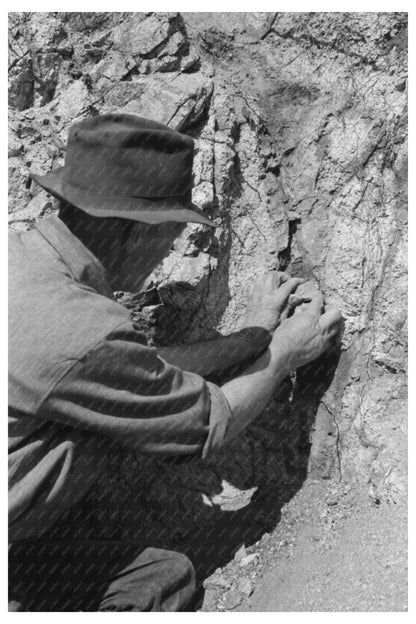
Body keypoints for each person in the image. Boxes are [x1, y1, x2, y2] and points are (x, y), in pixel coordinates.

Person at [8, 113, 342, 611]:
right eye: (170, 232)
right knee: (161, 583)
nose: (169, 250)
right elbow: (208, 422)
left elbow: (134, 366)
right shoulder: (81, 329)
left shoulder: (22, 263)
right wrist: (283, 354)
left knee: (156, 576)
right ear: (133, 230)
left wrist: (252, 337)